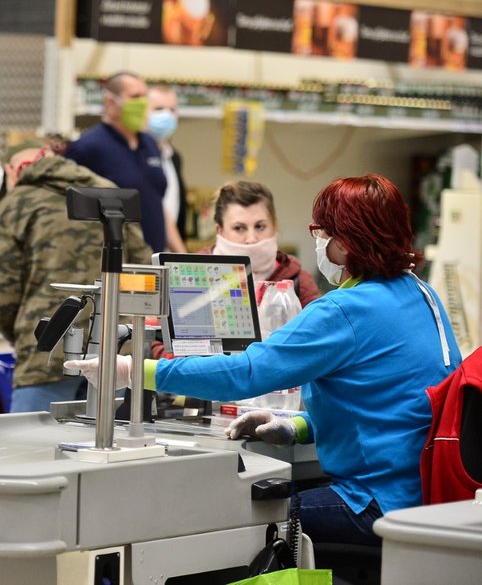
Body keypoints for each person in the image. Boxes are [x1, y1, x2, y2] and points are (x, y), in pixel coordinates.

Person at [67, 174, 461, 547]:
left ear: (348, 241)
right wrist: (297, 427)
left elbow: (246, 373)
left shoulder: (346, 309)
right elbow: (399, 403)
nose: (319, 242)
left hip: (374, 501)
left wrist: (133, 370)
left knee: (225, 514)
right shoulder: (420, 292)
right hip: (426, 494)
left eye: (322, 233)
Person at [0, 139, 151, 413]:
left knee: (33, 448)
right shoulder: (110, 193)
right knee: (110, 445)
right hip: (114, 349)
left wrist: (22, 334)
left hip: (47, 349)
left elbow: (3, 288)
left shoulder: (16, 203)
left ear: (11, 171)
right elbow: (142, 266)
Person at [65, 71, 185, 254]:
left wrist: (181, 254)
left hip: (151, 260)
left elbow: (157, 204)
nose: (142, 103)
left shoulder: (150, 144)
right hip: (112, 263)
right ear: (110, 102)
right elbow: (68, 211)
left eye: (145, 96)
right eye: (135, 97)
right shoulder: (88, 148)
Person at [206, 181, 320, 309]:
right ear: (219, 231)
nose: (251, 239)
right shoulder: (192, 274)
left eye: (260, 226)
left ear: (274, 226)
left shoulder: (300, 283)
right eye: (239, 228)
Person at [148, 84, 188, 244]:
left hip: (168, 253)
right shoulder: (133, 155)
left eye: (172, 110)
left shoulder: (174, 157)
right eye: (158, 109)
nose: (167, 115)